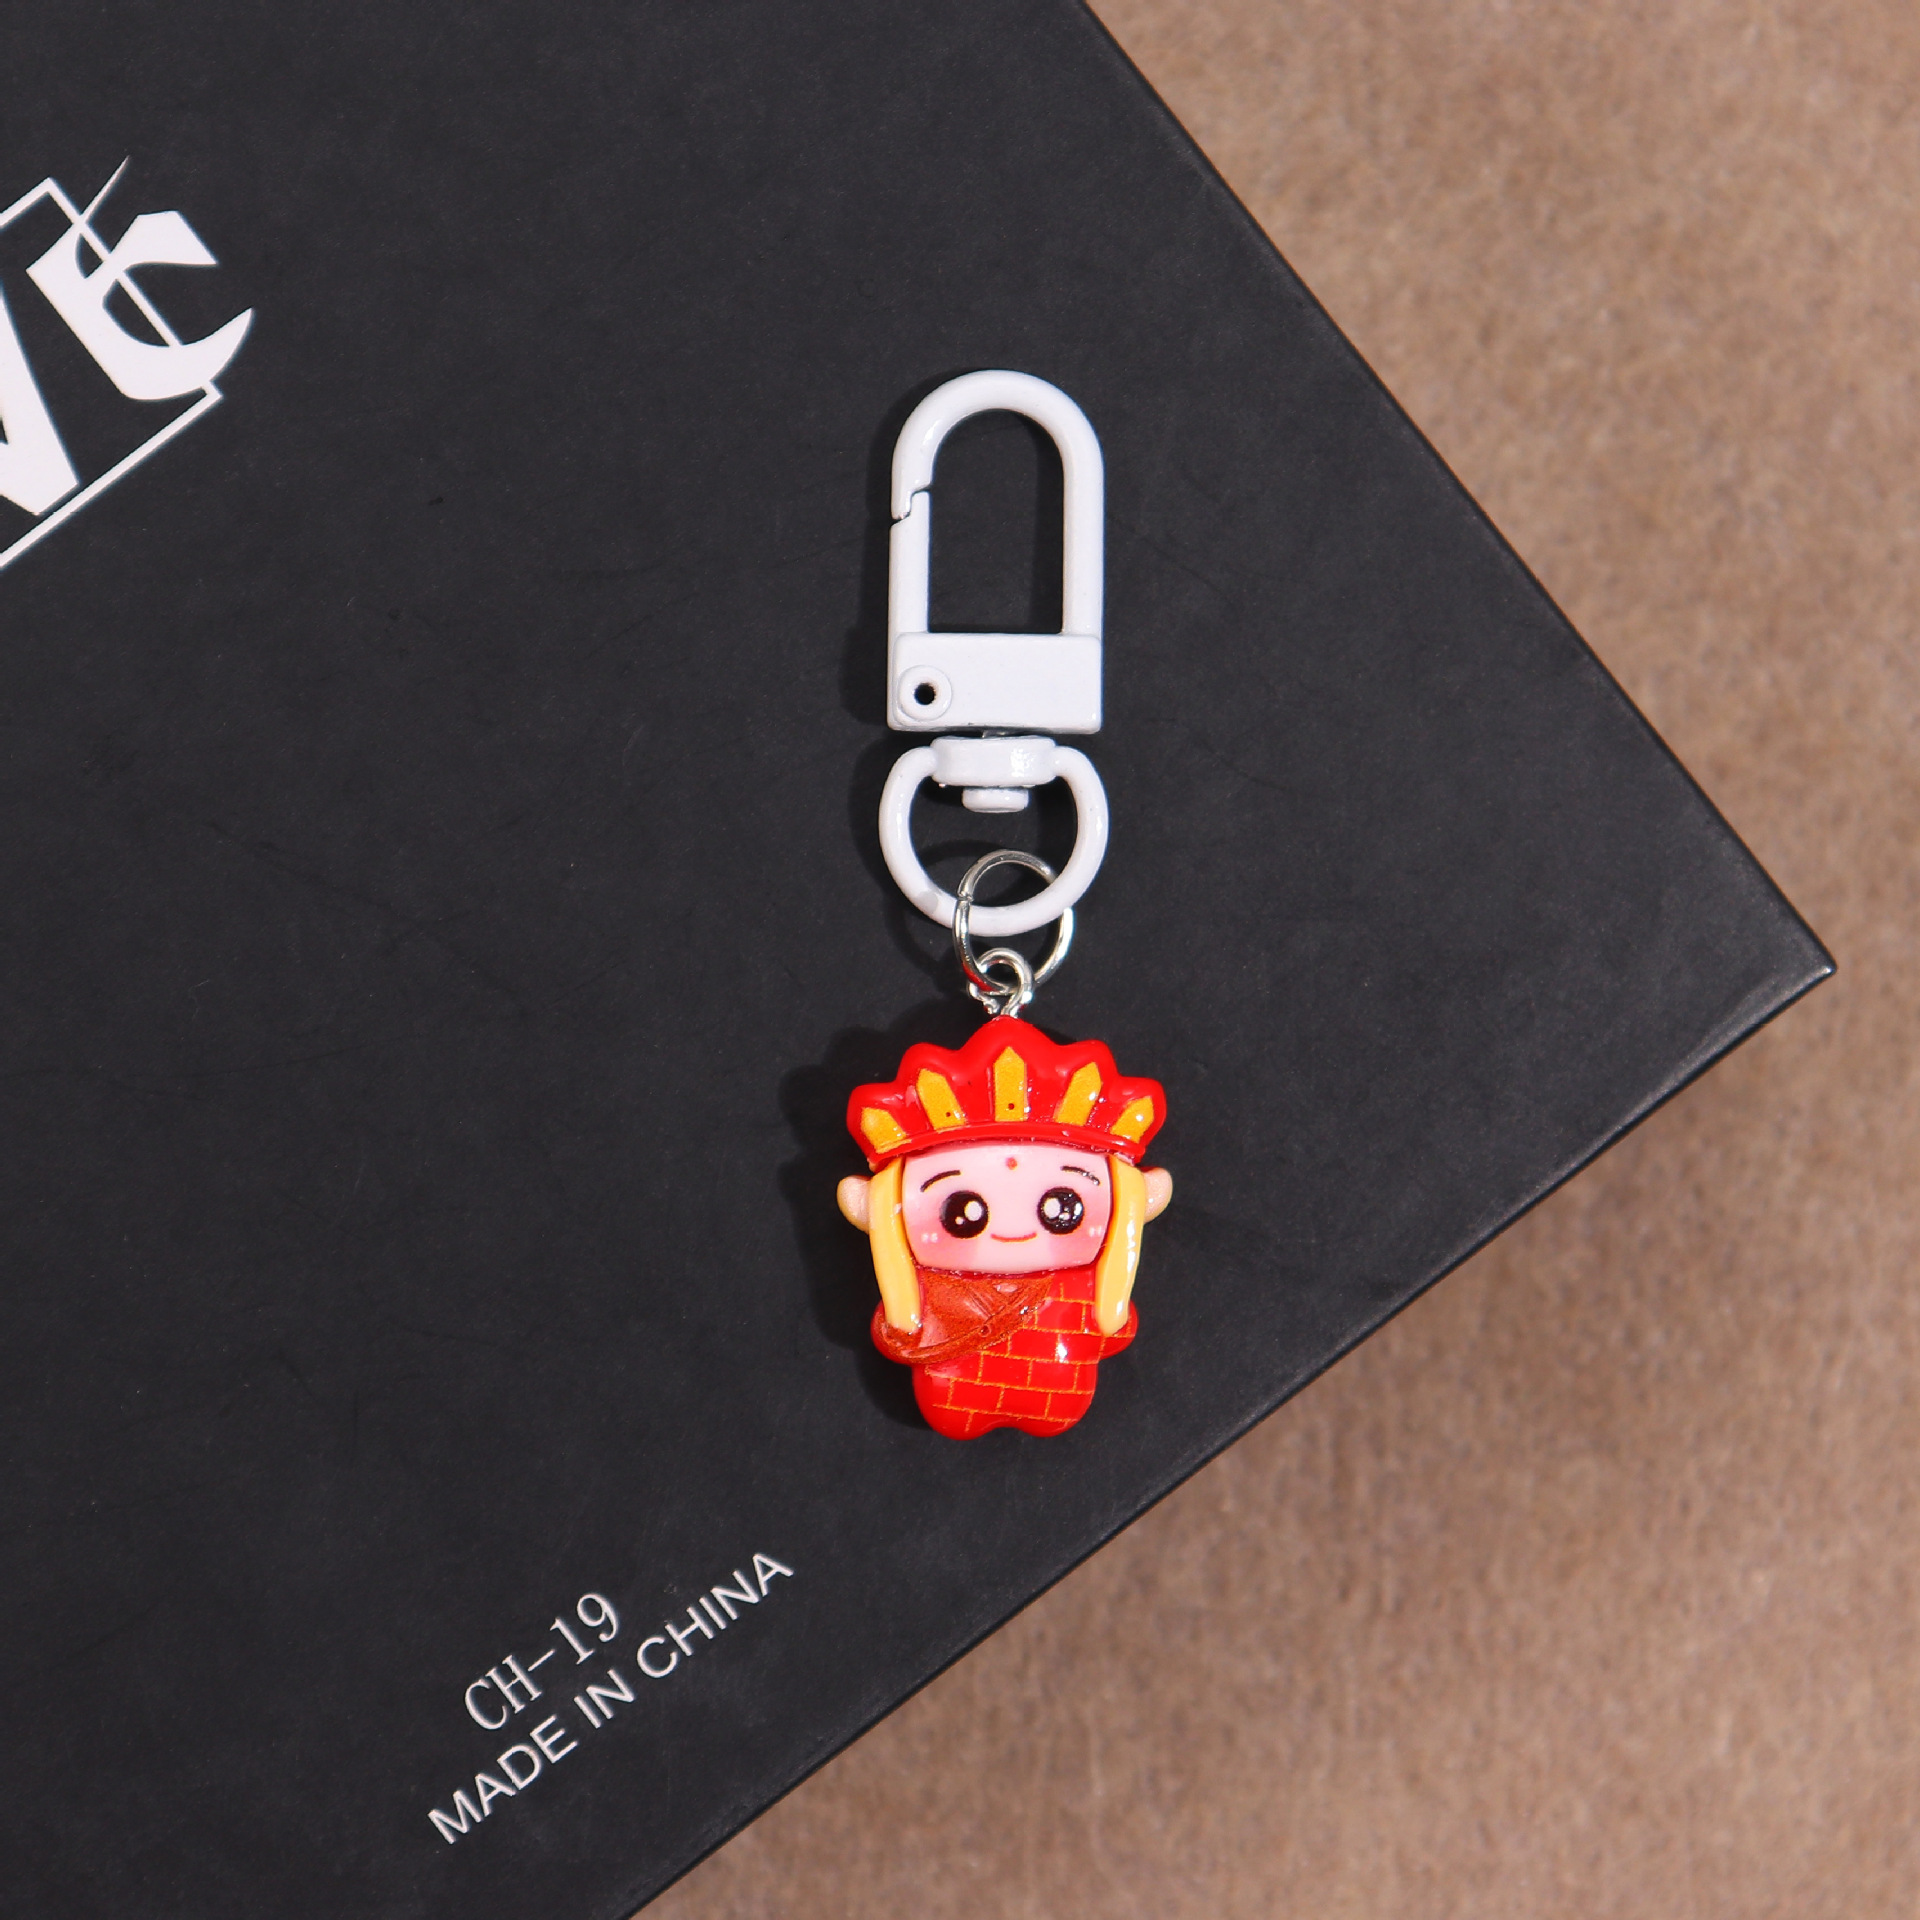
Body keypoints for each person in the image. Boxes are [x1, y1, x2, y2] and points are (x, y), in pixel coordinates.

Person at [838, 1017, 1171, 1439]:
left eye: (1062, 1208)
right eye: (962, 1211)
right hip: (949, 1394)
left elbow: (1108, 1333)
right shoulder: (922, 1295)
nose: (1013, 1231)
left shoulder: (1090, 1291)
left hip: (1060, 1390)